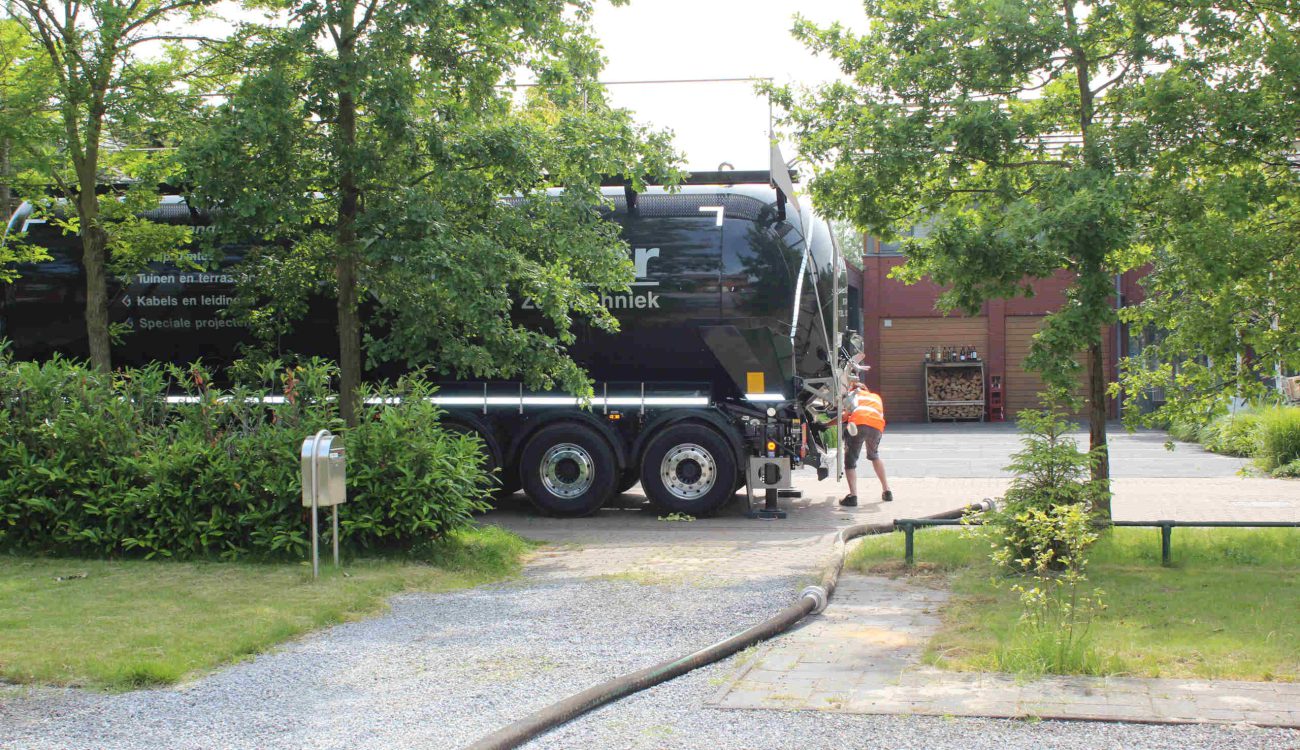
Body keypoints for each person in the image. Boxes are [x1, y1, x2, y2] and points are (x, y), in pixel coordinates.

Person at [836, 371, 892, 507]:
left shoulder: (853, 396)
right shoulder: (876, 397)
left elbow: (843, 417)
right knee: (874, 456)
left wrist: (824, 424)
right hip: (877, 426)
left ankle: (853, 496)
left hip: (859, 424)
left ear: (852, 390)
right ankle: (887, 491)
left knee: (850, 462)